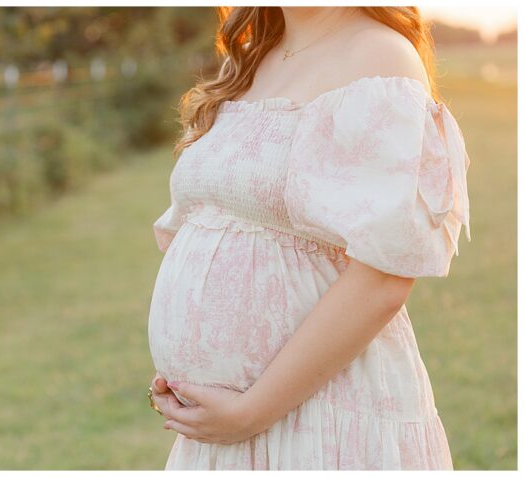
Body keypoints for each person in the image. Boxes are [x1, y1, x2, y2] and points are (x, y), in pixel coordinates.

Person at [146, 6, 470, 469]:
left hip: (323, 417)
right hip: (225, 432)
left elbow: (384, 275)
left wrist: (250, 411)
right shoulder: (253, 57)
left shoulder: (379, 56)